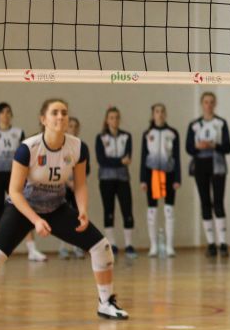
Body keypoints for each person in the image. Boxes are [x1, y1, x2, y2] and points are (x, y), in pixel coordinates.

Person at [0, 98, 129, 325]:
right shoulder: (28, 148)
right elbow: (14, 192)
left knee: (101, 247)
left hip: (56, 207)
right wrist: (35, 220)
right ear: (43, 119)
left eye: (64, 112)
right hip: (23, 208)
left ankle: (106, 303)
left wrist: (82, 210)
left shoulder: (78, 147)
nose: (60, 116)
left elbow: (80, 184)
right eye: (54, 112)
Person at [0, 103, 45, 261]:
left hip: (15, 174)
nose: (6, 115)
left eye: (8, 112)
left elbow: (26, 155)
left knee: (23, 209)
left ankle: (32, 250)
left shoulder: (18, 133)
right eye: (2, 112)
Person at [188, 92, 230, 257]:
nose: (209, 105)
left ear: (215, 104)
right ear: (202, 104)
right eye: (206, 102)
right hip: (200, 166)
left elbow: (228, 147)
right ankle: (211, 243)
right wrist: (198, 146)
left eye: (212, 102)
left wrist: (214, 145)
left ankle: (223, 243)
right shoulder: (194, 125)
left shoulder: (221, 123)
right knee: (205, 202)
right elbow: (188, 147)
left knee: (218, 203)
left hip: (217, 165)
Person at [141, 103, 181, 257]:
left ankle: (170, 246)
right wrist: (143, 179)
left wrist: (177, 178)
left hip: (169, 174)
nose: (160, 114)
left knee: (169, 210)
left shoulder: (173, 133)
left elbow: (177, 157)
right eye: (157, 111)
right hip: (152, 175)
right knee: (152, 210)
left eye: (163, 111)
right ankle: (154, 246)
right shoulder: (147, 134)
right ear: (153, 114)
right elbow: (143, 157)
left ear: (166, 114)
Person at [95, 107, 136, 257]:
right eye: (111, 117)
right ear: (107, 120)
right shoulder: (101, 138)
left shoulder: (126, 136)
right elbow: (102, 160)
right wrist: (119, 161)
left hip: (123, 178)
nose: (115, 120)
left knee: (127, 211)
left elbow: (128, 158)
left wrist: (115, 161)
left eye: (117, 117)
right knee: (109, 211)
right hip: (106, 179)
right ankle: (112, 244)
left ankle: (129, 245)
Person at [59, 116, 89, 259]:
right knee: (63, 217)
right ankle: (63, 247)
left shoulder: (82, 147)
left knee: (78, 216)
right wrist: (67, 182)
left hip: (77, 187)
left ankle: (77, 246)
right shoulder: (60, 145)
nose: (73, 129)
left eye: (76, 126)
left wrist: (76, 183)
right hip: (62, 187)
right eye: (70, 126)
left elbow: (86, 169)